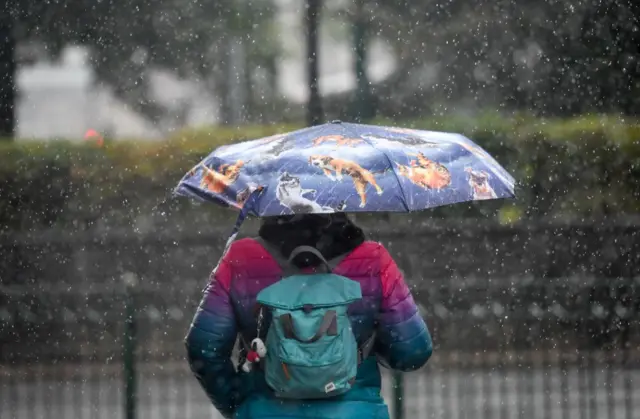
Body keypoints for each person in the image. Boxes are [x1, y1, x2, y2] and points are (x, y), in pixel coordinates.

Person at [185, 213, 433, 419]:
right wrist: (361, 351)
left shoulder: (241, 257)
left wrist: (237, 400)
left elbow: (204, 347)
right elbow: (412, 351)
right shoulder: (373, 260)